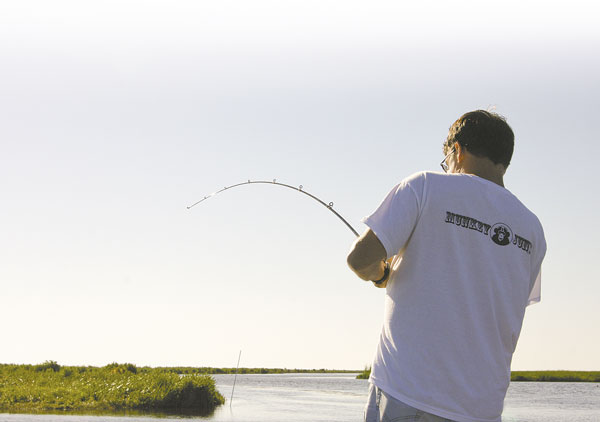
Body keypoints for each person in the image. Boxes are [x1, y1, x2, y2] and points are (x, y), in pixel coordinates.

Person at [347, 110, 546, 422]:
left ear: (457, 150)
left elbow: (359, 259)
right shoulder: (532, 229)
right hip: (482, 410)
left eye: (447, 161)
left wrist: (381, 274)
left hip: (407, 395)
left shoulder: (424, 186)